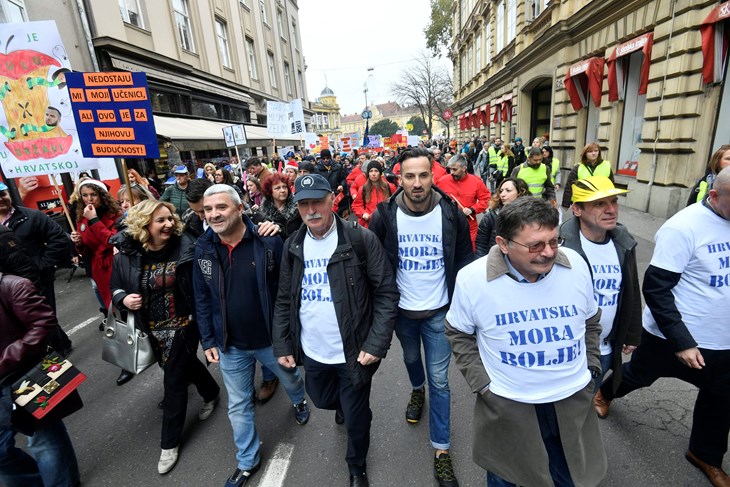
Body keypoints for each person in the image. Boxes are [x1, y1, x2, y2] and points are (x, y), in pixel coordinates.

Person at [445, 196, 606, 487]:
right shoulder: (472, 279)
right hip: (509, 405)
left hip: (571, 401)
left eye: (554, 241)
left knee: (569, 478)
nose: (548, 253)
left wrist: (592, 367)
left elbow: (591, 320)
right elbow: (458, 333)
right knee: (506, 477)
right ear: (503, 244)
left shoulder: (577, 267)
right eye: (535, 245)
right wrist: (482, 386)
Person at [594, 167, 730, 487]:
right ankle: (605, 392)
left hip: (723, 339)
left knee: (721, 396)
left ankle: (705, 455)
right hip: (672, 336)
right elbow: (656, 287)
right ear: (714, 195)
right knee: (639, 374)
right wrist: (682, 341)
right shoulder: (684, 227)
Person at [273, 174, 398, 487]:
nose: (312, 209)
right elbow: (285, 299)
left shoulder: (360, 239)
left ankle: (356, 466)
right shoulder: (293, 245)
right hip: (313, 350)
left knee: (356, 417)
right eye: (304, 204)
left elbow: (385, 292)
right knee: (322, 400)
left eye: (318, 201)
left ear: (333, 199)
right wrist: (283, 345)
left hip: (354, 350)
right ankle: (344, 405)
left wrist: (376, 342)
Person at [369, 148, 473, 487]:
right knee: (412, 359)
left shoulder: (450, 213)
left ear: (433, 175)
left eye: (423, 175)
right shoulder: (384, 215)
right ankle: (417, 389)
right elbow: (373, 264)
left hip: (439, 311)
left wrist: (464, 307)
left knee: (440, 379)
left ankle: (441, 450)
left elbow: (463, 261)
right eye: (410, 176)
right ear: (399, 179)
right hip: (402, 312)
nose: (417, 183)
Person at [194, 184, 309, 487]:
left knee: (292, 379)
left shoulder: (269, 241)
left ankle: (299, 402)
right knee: (238, 404)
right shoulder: (203, 247)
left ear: (240, 208)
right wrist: (208, 340)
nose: (214, 214)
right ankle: (247, 462)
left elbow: (288, 291)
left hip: (272, 342)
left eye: (221, 207)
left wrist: (289, 334)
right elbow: (202, 298)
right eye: (208, 210)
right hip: (231, 345)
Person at [111, 200, 221, 474]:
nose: (169, 224)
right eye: (161, 220)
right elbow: (114, 287)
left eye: (170, 218)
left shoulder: (187, 248)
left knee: (174, 382)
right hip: (149, 328)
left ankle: (169, 444)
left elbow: (205, 286)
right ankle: (211, 392)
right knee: (184, 366)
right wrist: (124, 299)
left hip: (184, 326)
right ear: (144, 224)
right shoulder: (125, 254)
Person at [560, 176, 642, 392]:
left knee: (587, 403)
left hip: (606, 349)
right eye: (599, 203)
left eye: (614, 201)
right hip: (569, 351)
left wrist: (632, 333)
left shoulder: (623, 242)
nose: (611, 209)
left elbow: (631, 290)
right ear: (577, 209)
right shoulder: (560, 245)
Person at [0, 271, 81, 487]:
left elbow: (43, 322)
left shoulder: (13, 286)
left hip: (25, 378)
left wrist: (5, 359)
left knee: (45, 440)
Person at [0, 181, 73, 355]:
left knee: (42, 316)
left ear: (9, 194)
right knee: (27, 319)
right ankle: (62, 343)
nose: (0, 199)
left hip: (39, 278)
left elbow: (59, 239)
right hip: (9, 285)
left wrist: (42, 264)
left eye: (2, 194)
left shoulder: (32, 216)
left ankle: (59, 354)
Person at [70, 179, 122, 329]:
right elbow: (87, 248)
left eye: (93, 194)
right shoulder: (82, 218)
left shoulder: (116, 214)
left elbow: (112, 241)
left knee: (123, 301)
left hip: (116, 263)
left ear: (102, 196)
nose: (89, 199)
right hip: (98, 266)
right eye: (85, 195)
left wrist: (94, 219)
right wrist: (78, 243)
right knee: (108, 301)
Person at [437, 154, 491, 250]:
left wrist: (473, 209)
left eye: (454, 169)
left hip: (469, 225)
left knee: (469, 252)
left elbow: (486, 199)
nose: (451, 172)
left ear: (464, 168)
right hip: (448, 224)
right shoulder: (442, 181)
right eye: (450, 169)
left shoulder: (476, 181)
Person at [475, 177, 529, 257]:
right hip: (496, 261)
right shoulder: (491, 216)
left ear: (520, 193)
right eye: (501, 191)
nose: (502, 195)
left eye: (508, 191)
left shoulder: (531, 216)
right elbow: (481, 245)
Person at [561, 142, 613, 210]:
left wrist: (612, 201)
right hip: (582, 203)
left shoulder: (606, 165)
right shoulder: (578, 167)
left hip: (601, 202)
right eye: (590, 151)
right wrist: (566, 204)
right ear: (585, 153)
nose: (593, 153)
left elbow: (612, 185)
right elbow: (569, 186)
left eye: (596, 151)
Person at [351, 161, 395, 228]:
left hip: (386, 224)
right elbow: (356, 205)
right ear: (368, 173)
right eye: (371, 171)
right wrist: (363, 213)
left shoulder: (390, 187)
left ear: (380, 173)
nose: (373, 174)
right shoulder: (363, 189)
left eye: (376, 171)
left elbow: (397, 203)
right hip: (369, 225)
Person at [259, 173, 302, 239]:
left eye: (284, 187)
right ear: (270, 192)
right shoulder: (263, 211)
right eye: (277, 188)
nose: (283, 190)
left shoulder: (297, 209)